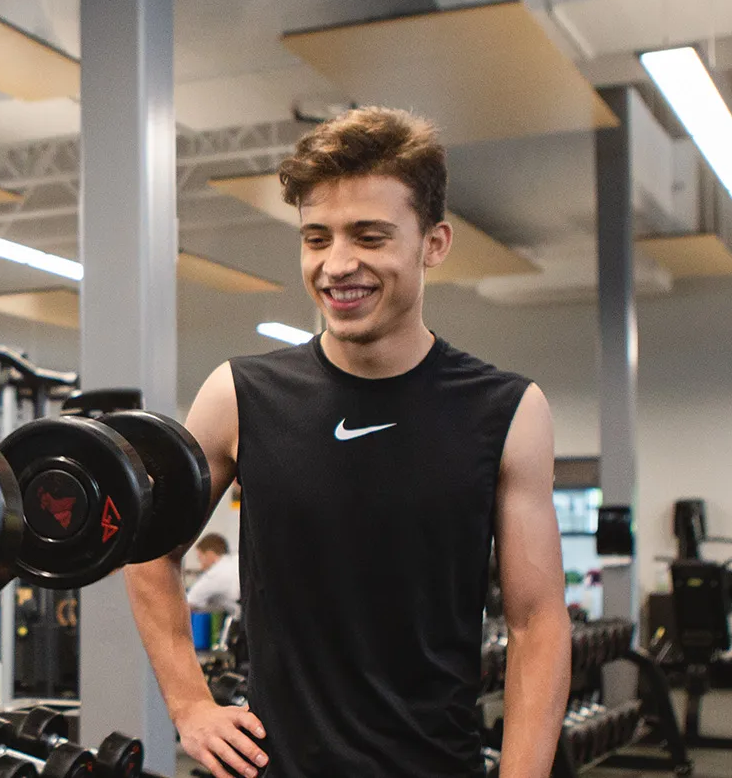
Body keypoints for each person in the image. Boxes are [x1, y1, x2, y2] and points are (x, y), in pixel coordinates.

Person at [125, 107, 572, 778]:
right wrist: (190, 703)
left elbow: (537, 621)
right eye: (316, 237)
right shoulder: (239, 397)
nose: (337, 264)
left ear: (435, 242)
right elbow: (148, 550)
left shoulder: (508, 412)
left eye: (369, 236)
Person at [186, 533, 240, 617]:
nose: (201, 566)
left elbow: (188, 604)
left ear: (210, 554)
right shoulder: (237, 559)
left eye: (200, 558)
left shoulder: (214, 574)